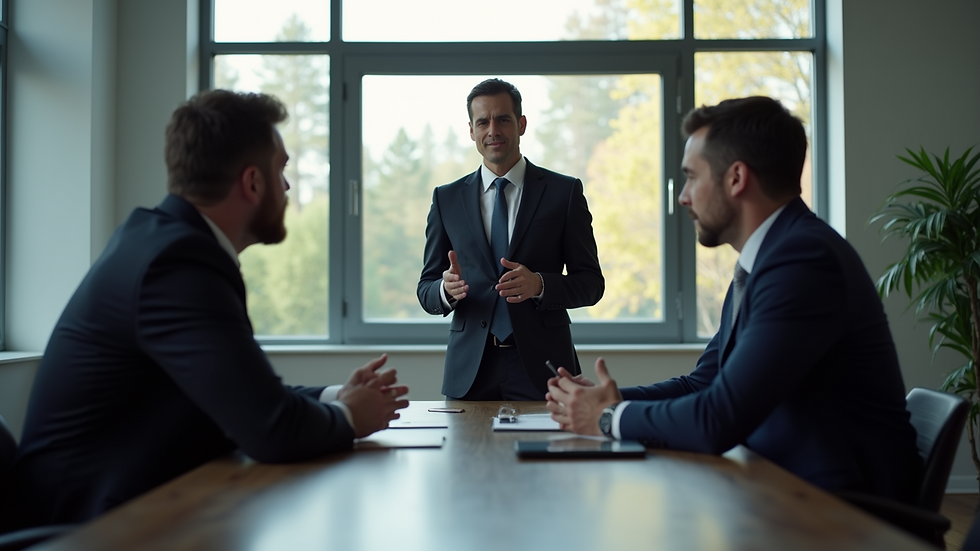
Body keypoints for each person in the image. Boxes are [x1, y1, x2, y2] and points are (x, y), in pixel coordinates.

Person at [1, 90, 409, 530]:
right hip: (85, 530)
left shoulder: (162, 240)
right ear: (252, 183)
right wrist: (351, 417)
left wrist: (335, 396)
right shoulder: (177, 263)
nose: (288, 187)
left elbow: (243, 399)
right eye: (282, 170)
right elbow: (270, 429)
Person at [547, 96, 923, 502]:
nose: (683, 197)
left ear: (736, 178)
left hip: (842, 516)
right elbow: (703, 383)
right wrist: (602, 400)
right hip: (780, 493)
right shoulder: (766, 258)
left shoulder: (804, 261)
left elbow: (717, 418)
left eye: (691, 177)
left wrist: (606, 418)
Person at [418, 78, 604, 401]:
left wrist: (541, 285)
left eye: (503, 119)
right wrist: (444, 291)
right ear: (472, 130)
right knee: (464, 453)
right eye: (483, 121)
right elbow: (426, 288)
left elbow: (591, 283)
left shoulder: (565, 193)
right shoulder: (446, 199)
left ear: (521, 124)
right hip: (470, 371)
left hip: (545, 369)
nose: (493, 130)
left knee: (552, 453)